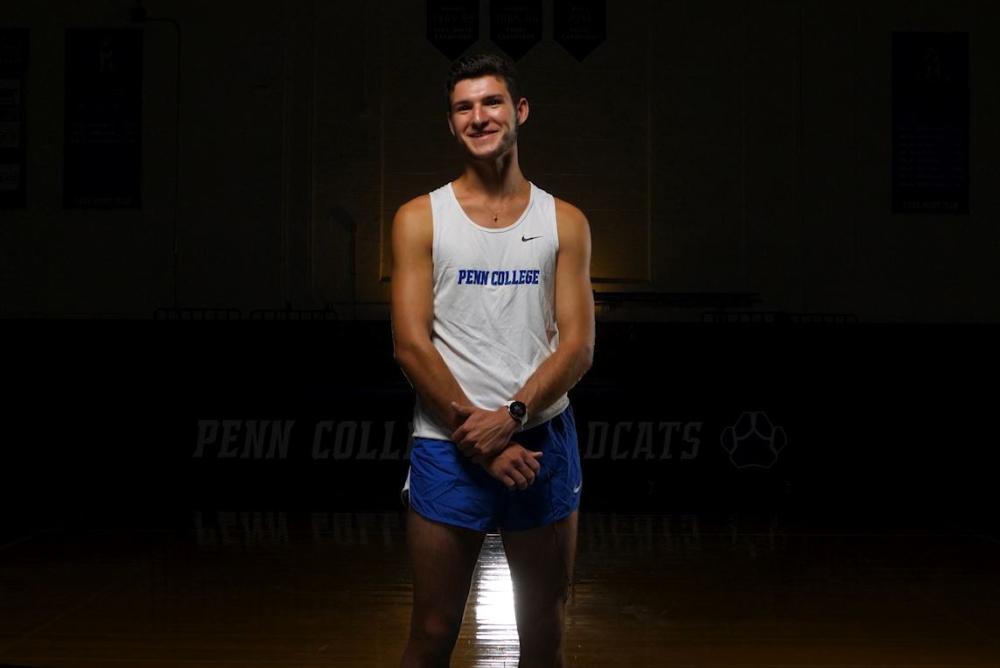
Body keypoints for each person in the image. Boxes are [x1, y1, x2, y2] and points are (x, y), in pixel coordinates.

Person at [391, 52, 595, 668]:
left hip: (540, 442)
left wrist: (511, 417)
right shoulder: (418, 218)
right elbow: (411, 345)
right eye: (463, 107)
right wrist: (480, 441)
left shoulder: (565, 221)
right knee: (431, 631)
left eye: (491, 102)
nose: (478, 117)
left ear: (520, 110)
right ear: (451, 123)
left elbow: (578, 345)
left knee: (544, 632)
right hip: (447, 444)